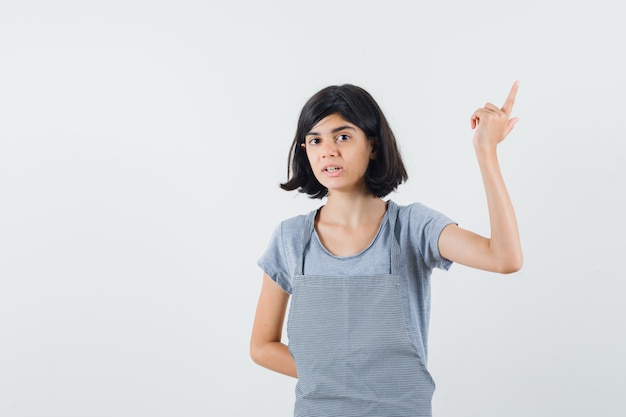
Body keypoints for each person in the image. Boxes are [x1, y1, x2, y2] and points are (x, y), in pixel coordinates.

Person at [250, 82, 523, 416]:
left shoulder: (412, 228)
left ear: (374, 146)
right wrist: (341, 376)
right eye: (315, 140)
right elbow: (262, 346)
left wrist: (486, 152)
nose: (328, 150)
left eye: (343, 136)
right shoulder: (290, 238)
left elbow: (504, 258)